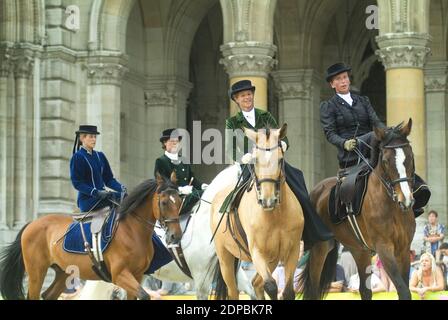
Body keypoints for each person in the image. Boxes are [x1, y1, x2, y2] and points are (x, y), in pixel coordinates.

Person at [223, 79, 333, 249]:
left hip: (272, 161)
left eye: (249, 94)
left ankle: (311, 230)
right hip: (249, 164)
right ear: (236, 100)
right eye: (243, 96)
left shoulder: (265, 116)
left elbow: (282, 136)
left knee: (297, 177)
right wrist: (243, 157)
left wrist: (283, 144)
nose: (247, 98)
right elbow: (231, 148)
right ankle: (230, 229)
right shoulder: (232, 122)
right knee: (233, 196)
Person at [319, 62, 430, 217]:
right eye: (338, 79)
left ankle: (415, 196)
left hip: (372, 148)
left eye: (345, 77)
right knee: (374, 136)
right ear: (332, 84)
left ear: (349, 80)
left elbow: (376, 122)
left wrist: (389, 134)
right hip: (351, 152)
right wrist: (344, 143)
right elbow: (330, 133)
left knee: (397, 157)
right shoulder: (328, 106)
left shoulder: (363, 101)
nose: (343, 81)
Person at [70, 125, 125, 212]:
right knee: (115, 199)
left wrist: (121, 188)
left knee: (126, 198)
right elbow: (77, 183)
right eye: (91, 137)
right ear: (82, 138)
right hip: (88, 200)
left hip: (104, 196)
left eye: (95, 137)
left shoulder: (100, 156)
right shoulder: (78, 157)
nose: (94, 139)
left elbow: (109, 179)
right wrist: (95, 192)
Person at [154, 128, 208, 215]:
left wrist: (202, 186)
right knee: (203, 195)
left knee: (208, 193)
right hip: (174, 199)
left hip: (189, 195)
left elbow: (192, 179)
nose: (175, 143)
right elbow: (162, 185)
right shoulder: (161, 161)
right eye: (172, 141)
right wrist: (180, 189)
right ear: (165, 143)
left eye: (177, 141)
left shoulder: (184, 160)